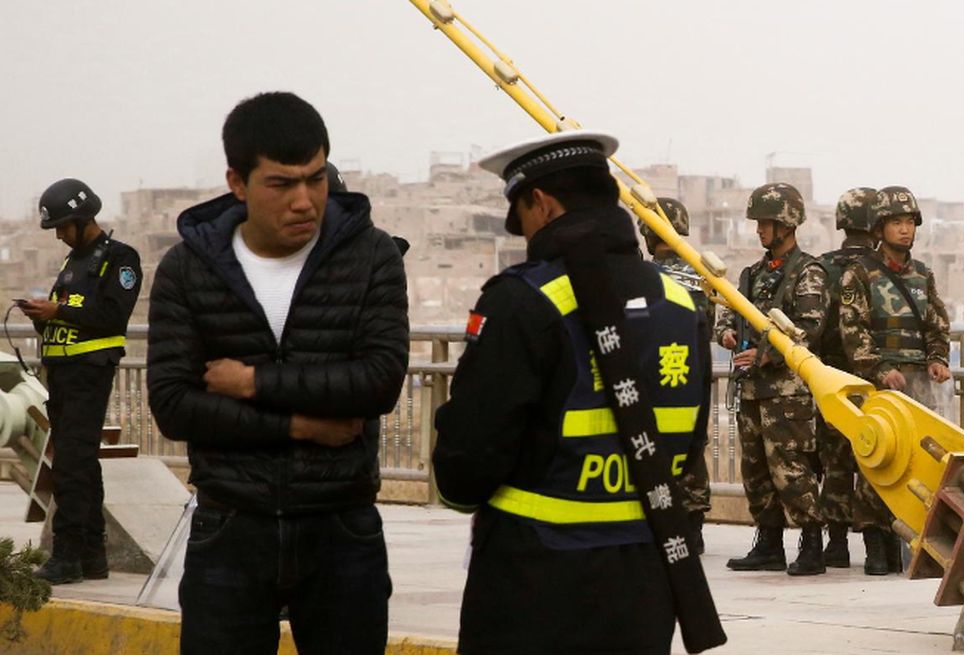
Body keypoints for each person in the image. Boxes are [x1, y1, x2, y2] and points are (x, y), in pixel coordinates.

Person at [433, 131, 715, 654]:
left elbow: (467, 461)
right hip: (645, 584)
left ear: (540, 204)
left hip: (535, 581)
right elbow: (689, 443)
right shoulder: (681, 305)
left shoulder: (526, 300)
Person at [146, 91, 408, 655]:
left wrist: (253, 383)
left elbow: (379, 382)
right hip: (231, 525)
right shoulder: (187, 270)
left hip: (341, 527)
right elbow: (173, 404)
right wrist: (300, 426)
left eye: (315, 179)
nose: (305, 201)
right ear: (238, 183)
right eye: (282, 184)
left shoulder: (371, 257)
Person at [22, 178, 142, 584]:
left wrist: (58, 311)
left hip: (89, 373)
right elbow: (66, 316)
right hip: (62, 375)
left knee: (71, 466)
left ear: (81, 220)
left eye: (61, 227)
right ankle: (93, 555)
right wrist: (43, 317)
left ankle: (67, 555)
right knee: (81, 466)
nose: (58, 236)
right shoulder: (71, 264)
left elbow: (111, 316)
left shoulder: (120, 259)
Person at [716, 183, 828, 576]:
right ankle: (768, 542)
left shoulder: (808, 272)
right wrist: (727, 333)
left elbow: (809, 328)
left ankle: (812, 542)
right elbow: (730, 314)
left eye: (767, 222)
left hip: (787, 393)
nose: (760, 230)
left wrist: (764, 355)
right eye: (759, 223)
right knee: (756, 468)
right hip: (750, 389)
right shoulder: (751, 275)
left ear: (787, 224)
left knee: (791, 467)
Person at [839, 185, 951, 575]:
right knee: (878, 459)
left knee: (919, 460)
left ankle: (911, 538)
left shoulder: (923, 275)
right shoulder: (861, 273)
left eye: (909, 222)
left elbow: (937, 324)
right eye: (896, 223)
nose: (905, 230)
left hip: (919, 384)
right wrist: (877, 369)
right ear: (879, 227)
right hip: (880, 384)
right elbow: (853, 330)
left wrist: (937, 359)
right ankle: (875, 543)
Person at [640, 197, 714, 553]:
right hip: (692, 368)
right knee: (692, 445)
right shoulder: (701, 275)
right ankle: (694, 524)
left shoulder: (645, 276)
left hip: (651, 372)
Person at [814, 187, 878, 569]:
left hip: (832, 379)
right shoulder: (879, 268)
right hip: (873, 378)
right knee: (875, 461)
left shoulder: (822, 266)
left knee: (835, 461)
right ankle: (877, 550)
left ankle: (836, 544)